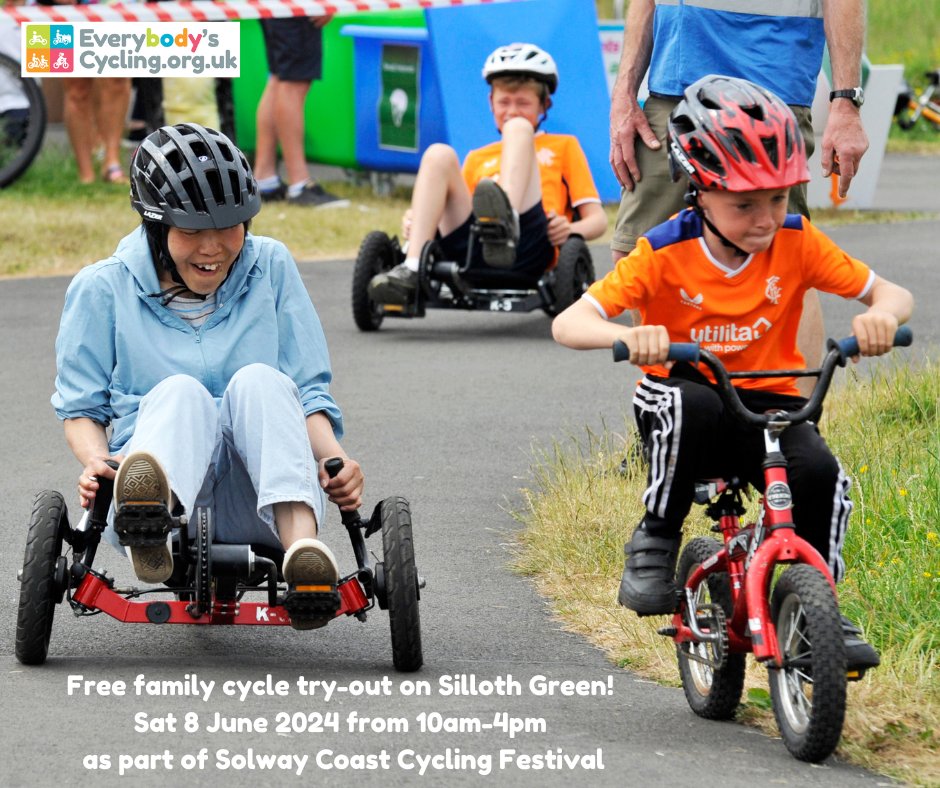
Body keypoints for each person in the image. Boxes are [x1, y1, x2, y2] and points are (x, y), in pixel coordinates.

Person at [552, 76, 913, 669]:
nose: (766, 218)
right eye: (745, 204)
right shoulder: (663, 251)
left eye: (778, 199)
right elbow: (570, 323)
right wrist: (629, 337)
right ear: (698, 191)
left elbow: (893, 294)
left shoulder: (796, 241)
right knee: (692, 402)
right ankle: (656, 537)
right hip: (682, 401)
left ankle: (815, 603)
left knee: (821, 472)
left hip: (766, 405)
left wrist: (881, 317)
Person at [51, 123, 363, 630]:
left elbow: (307, 390)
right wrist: (95, 461)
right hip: (166, 498)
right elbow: (80, 409)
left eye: (230, 227)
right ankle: (150, 525)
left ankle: (304, 555)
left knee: (261, 380)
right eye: (193, 231)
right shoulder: (102, 289)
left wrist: (336, 460)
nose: (213, 248)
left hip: (259, 497)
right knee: (180, 392)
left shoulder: (271, 267)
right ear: (156, 228)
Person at [608, 0, 870, 373]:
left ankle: (791, 404)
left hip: (770, 81)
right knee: (638, 249)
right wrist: (623, 94)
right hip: (673, 83)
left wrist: (846, 103)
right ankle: (669, 395)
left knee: (787, 257)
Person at [368, 42, 606, 304]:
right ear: (491, 103)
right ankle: (411, 268)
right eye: (504, 102)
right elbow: (458, 214)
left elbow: (598, 221)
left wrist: (571, 229)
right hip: (474, 248)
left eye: (523, 103)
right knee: (438, 154)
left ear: (544, 105)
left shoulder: (564, 146)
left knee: (518, 128)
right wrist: (421, 221)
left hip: (530, 245)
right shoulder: (477, 157)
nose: (512, 111)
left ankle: (505, 224)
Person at [253, 15, 348, 208]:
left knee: (280, 78)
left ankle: (265, 180)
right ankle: (299, 184)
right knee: (293, 82)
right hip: (294, 9)